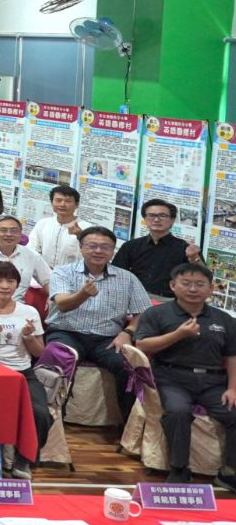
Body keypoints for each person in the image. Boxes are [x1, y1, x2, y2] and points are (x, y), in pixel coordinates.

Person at [132, 263, 236, 488]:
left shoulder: (224, 319)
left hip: (213, 382)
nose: (193, 289)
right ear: (173, 285)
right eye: (186, 283)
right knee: (177, 411)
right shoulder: (157, 313)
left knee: (234, 412)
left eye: (200, 284)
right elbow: (142, 345)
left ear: (211, 289)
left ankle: (230, 471)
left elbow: (232, 356)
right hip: (172, 377)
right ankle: (179, 468)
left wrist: (232, 388)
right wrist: (178, 334)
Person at [45, 226, 149, 420]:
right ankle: (52, 422)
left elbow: (143, 313)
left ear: (112, 251)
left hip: (107, 338)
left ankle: (128, 429)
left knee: (129, 366)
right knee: (60, 357)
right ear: (81, 248)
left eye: (105, 247)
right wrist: (83, 294)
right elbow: (63, 304)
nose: (99, 251)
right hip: (66, 332)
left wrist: (127, 332)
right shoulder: (63, 272)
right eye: (92, 246)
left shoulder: (127, 278)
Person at [0, 261, 53, 479]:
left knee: (41, 414)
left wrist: (29, 337)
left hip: (23, 374)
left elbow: (39, 352)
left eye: (10, 281)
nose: (5, 286)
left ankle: (23, 461)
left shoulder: (29, 311)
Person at [115, 199, 203, 302]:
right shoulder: (131, 246)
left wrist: (194, 258)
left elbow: (204, 276)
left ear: (172, 220)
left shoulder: (186, 248)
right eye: (151, 215)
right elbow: (116, 273)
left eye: (163, 216)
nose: (156, 220)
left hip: (169, 302)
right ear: (145, 219)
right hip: (133, 298)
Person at [28, 185, 95, 270]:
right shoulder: (43, 223)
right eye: (58, 200)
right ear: (52, 203)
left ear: (77, 204)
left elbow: (92, 255)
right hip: (44, 273)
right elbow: (32, 249)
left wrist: (81, 236)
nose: (62, 204)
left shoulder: (88, 228)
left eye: (68, 201)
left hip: (73, 274)